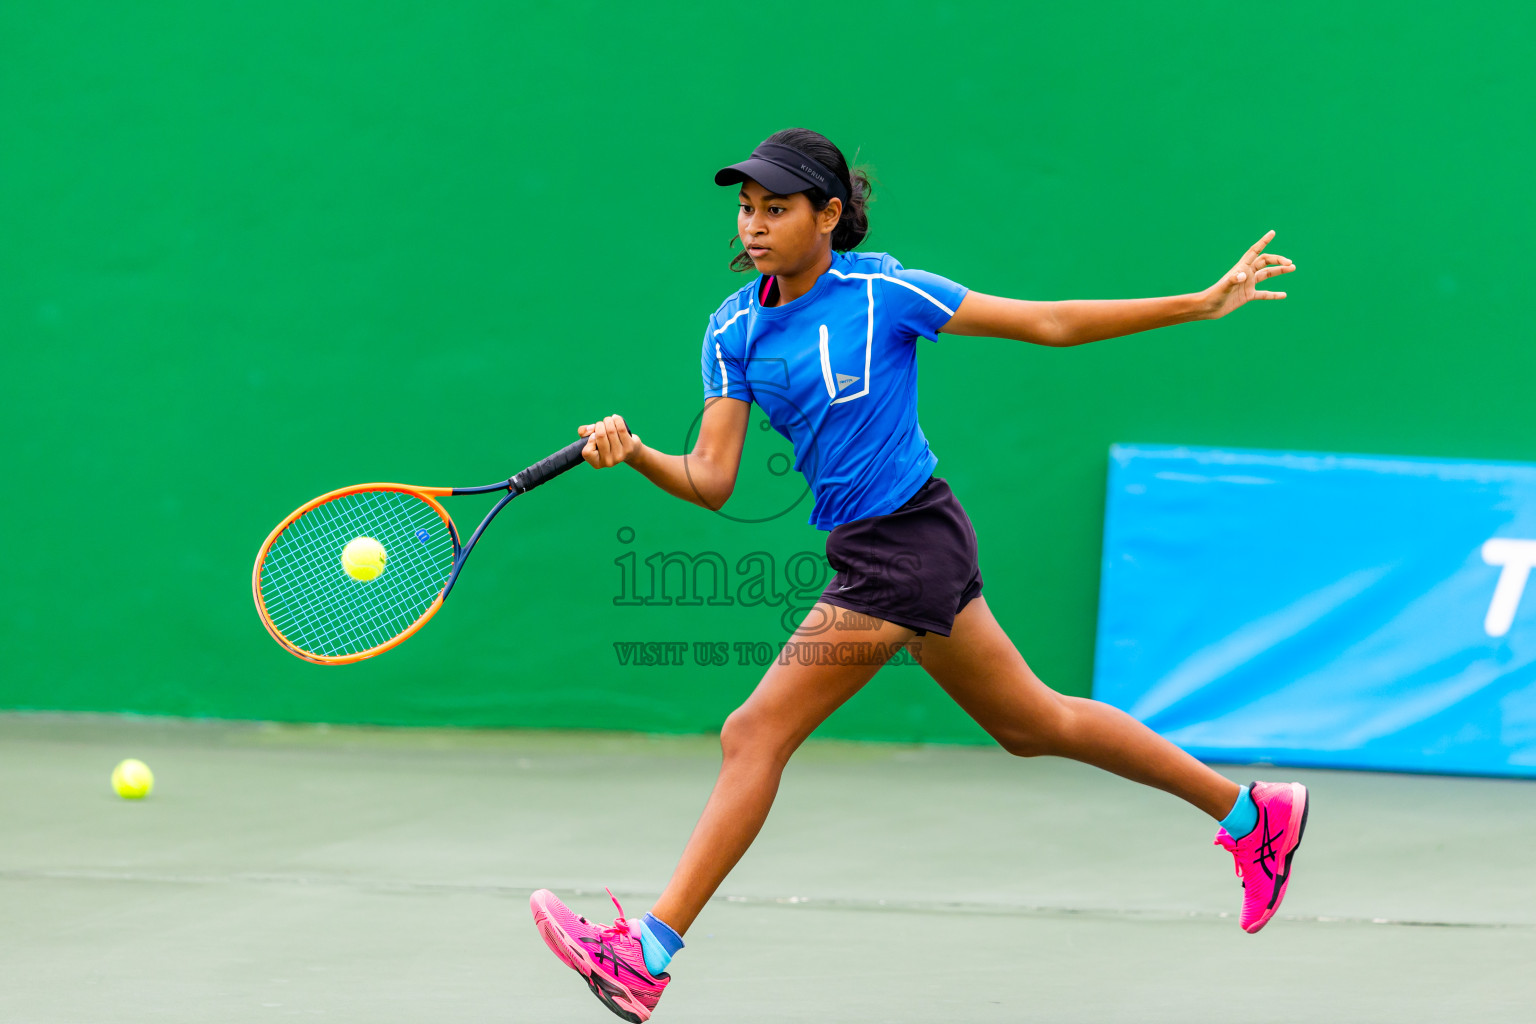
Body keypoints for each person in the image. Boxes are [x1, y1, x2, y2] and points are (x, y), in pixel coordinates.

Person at [528, 128, 1307, 1022]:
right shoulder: (732, 330)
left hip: (910, 541)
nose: (754, 224)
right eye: (746, 208)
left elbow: (1043, 321)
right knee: (1032, 722)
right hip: (868, 549)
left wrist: (1196, 304)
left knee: (753, 733)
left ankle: (647, 956)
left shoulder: (884, 291)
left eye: (776, 208)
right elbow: (710, 481)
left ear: (829, 216)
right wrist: (633, 457)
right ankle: (1250, 816)